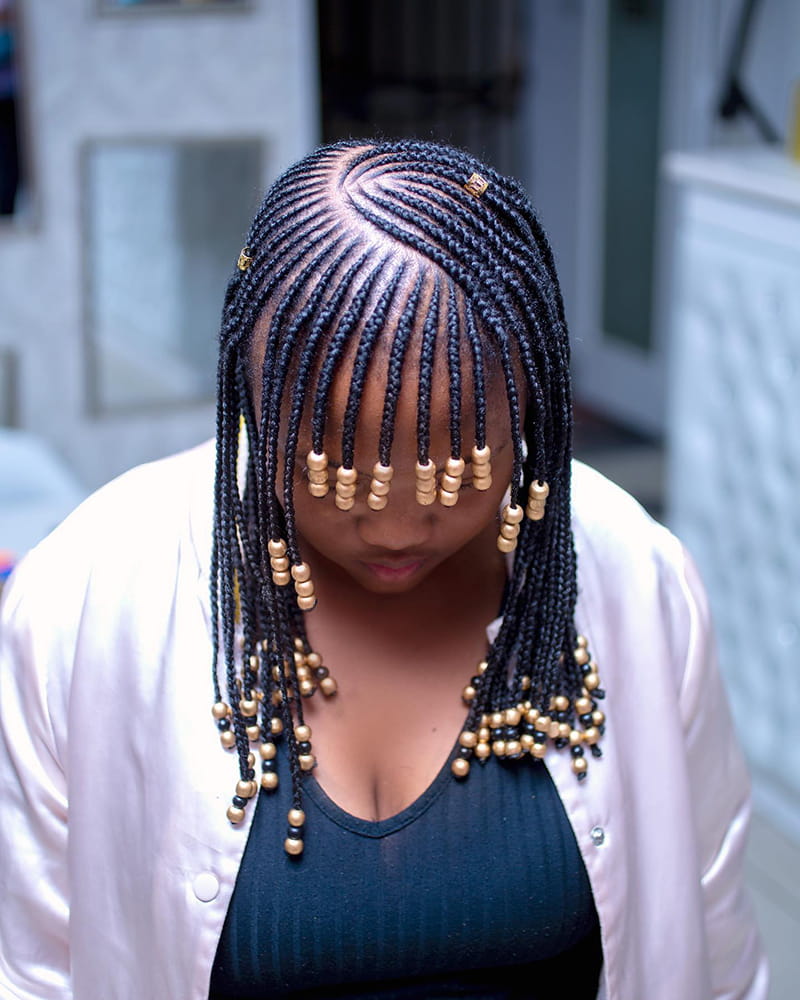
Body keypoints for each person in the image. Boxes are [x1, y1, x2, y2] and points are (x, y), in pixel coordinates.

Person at [0, 139, 767, 999]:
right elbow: (31, 971)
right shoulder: (82, 598)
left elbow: (717, 947)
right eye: (333, 469)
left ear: (536, 412)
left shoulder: (640, 579)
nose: (398, 524)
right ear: (253, 405)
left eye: (460, 464)